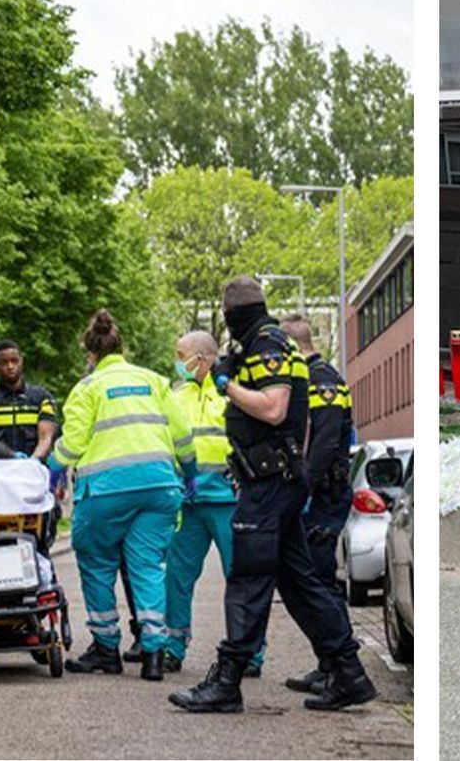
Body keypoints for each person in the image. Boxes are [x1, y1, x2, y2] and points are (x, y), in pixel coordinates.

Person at [168, 276, 376, 714]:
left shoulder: (266, 344)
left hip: (269, 482)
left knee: (248, 577)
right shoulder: (265, 343)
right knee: (299, 582)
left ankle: (228, 681)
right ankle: (349, 672)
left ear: (232, 314)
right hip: (276, 479)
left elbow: (274, 407)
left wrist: (227, 386)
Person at [47, 310, 198, 681]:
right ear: (122, 347)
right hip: (160, 487)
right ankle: (153, 654)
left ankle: (106, 649)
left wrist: (50, 467)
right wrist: (190, 473)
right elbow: (182, 434)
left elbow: (75, 441)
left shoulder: (87, 388)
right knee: (147, 567)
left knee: (97, 563)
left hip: (107, 491)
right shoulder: (155, 381)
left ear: (90, 355)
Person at [162, 330, 263, 676]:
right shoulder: (176, 396)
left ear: (201, 359)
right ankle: (173, 646)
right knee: (177, 576)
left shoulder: (231, 391)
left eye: (181, 354)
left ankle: (250, 653)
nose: (178, 361)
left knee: (240, 577)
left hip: (228, 498)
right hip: (189, 501)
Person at [279, 314, 355, 696]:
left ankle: (339, 668)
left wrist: (302, 488)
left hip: (323, 496)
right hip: (317, 494)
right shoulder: (308, 378)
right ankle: (328, 663)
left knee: (320, 579)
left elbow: (323, 444)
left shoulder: (322, 380)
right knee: (312, 578)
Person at [0, 340, 59, 461]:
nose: (10, 366)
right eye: (4, 362)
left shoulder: (42, 398)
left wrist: (32, 461)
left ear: (22, 361)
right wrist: (6, 459)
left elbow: (46, 438)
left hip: (32, 471)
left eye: (14, 361)